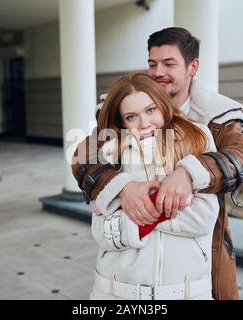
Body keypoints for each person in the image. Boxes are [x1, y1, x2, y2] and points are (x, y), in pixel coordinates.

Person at [72, 27, 243, 299]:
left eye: (169, 64)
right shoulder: (120, 118)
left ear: (192, 67)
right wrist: (121, 187)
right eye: (152, 64)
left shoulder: (214, 118)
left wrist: (189, 173)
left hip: (196, 267)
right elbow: (83, 158)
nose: (158, 71)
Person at [90, 72, 219, 300]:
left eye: (150, 110)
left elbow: (203, 218)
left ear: (162, 105)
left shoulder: (197, 139)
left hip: (187, 294)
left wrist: (126, 207)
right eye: (131, 116)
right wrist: (171, 201)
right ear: (120, 121)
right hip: (116, 294)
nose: (144, 123)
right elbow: (101, 233)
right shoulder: (109, 154)